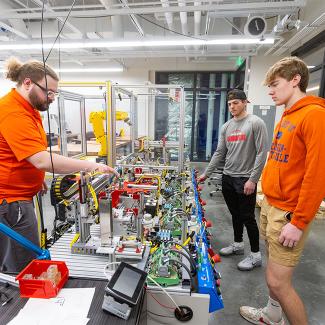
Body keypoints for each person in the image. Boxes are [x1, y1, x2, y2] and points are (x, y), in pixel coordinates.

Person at [0, 57, 119, 273]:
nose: (52, 97)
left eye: (54, 93)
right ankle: (21, 306)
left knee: (20, 260)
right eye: (48, 91)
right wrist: (90, 167)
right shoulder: (13, 112)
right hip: (11, 204)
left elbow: (22, 153)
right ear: (27, 83)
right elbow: (41, 159)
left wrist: (35, 178)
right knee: (25, 269)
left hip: (18, 198)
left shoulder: (28, 108)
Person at [239, 57, 325, 325]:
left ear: (296, 79)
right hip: (271, 205)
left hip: (289, 213)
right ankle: (272, 314)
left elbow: (317, 176)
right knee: (272, 278)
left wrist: (298, 222)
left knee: (279, 283)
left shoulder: (314, 116)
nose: (270, 91)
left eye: (275, 84)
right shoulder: (287, 116)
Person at [198, 89, 268, 271]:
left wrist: (253, 179)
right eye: (230, 104)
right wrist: (207, 172)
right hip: (228, 177)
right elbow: (220, 152)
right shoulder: (226, 126)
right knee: (235, 215)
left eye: (236, 103)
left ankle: (255, 256)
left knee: (248, 218)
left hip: (245, 179)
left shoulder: (255, 123)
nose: (232, 107)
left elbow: (261, 153)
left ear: (245, 102)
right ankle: (238, 245)